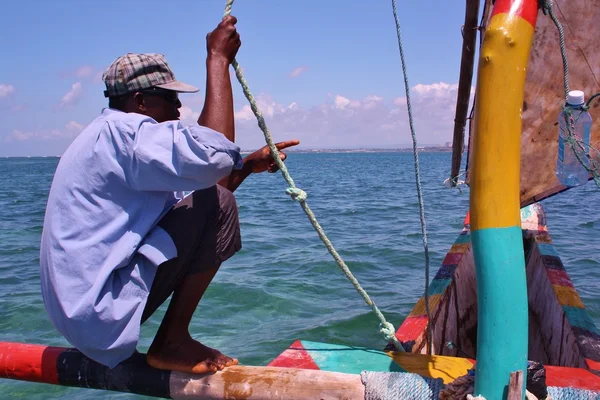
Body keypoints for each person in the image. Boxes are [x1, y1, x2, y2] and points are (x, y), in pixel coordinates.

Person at [40, 15, 299, 375]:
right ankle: (172, 342)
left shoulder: (111, 140)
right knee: (220, 201)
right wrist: (217, 59)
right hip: (97, 314)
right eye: (170, 98)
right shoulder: (126, 133)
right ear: (140, 101)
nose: (179, 109)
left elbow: (201, 200)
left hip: (80, 316)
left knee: (214, 199)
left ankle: (171, 339)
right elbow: (215, 159)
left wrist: (243, 167)